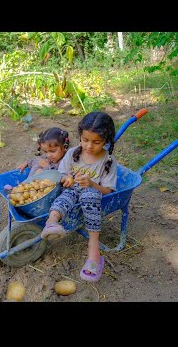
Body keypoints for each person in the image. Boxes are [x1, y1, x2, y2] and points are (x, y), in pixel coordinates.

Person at [40, 111, 117, 282]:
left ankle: (94, 252)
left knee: (89, 195)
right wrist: (67, 178)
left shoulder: (107, 161)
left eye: (96, 142)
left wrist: (91, 184)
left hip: (93, 195)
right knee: (65, 196)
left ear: (106, 141)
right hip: (73, 190)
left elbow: (109, 191)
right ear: (80, 137)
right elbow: (62, 173)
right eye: (85, 140)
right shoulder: (73, 153)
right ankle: (51, 222)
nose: (89, 146)